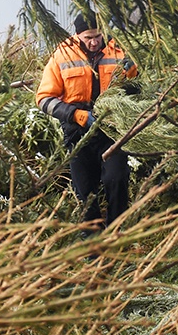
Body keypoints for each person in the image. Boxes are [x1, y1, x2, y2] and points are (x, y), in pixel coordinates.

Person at [36, 13, 138, 229]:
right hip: (77, 130)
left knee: (117, 178)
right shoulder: (62, 55)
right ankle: (92, 244)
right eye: (88, 38)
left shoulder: (118, 50)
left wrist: (133, 71)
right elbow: (44, 99)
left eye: (98, 37)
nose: (93, 42)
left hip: (112, 128)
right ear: (78, 35)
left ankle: (117, 233)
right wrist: (77, 115)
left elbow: (136, 88)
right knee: (84, 189)